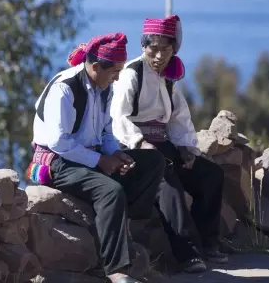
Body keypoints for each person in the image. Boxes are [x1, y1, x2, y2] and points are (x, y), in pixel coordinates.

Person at [27, 33, 166, 283]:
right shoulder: (65, 88)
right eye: (114, 71)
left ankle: (128, 228)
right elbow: (60, 142)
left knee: (153, 162)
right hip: (57, 161)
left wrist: (115, 153)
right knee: (110, 191)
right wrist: (100, 161)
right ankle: (116, 271)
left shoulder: (104, 87)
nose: (117, 77)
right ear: (94, 66)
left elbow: (106, 131)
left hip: (88, 155)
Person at [111, 15, 228, 273]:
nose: (159, 55)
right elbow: (118, 117)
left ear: (174, 49)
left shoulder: (168, 77)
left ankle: (209, 243)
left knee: (211, 176)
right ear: (144, 47)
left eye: (166, 49)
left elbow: (178, 116)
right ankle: (187, 254)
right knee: (169, 187)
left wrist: (186, 147)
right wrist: (140, 143)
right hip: (135, 149)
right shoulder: (132, 74)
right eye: (153, 48)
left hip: (164, 144)